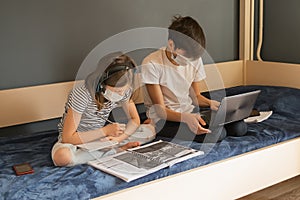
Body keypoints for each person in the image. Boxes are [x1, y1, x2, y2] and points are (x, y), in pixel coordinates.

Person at [141, 15, 247, 143]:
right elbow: (160, 111)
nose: (191, 62)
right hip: (163, 120)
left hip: (189, 113)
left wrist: (211, 103)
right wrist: (186, 118)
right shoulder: (152, 64)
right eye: (187, 58)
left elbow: (196, 96)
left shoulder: (195, 58)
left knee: (239, 128)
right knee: (217, 134)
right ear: (171, 44)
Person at [52, 52, 141, 166]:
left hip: (101, 140)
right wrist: (105, 131)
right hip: (76, 141)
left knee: (149, 131)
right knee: (62, 157)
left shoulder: (124, 90)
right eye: (118, 91)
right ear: (101, 84)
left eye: (125, 90)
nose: (122, 94)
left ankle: (109, 149)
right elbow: (68, 138)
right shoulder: (81, 94)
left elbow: (135, 120)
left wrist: (118, 139)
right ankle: (115, 152)